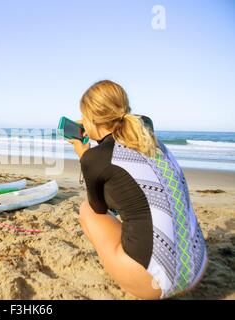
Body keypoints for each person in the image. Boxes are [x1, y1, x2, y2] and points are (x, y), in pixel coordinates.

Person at [69, 80, 207, 299]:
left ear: (93, 119)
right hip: (198, 267)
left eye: (84, 117)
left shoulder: (94, 159)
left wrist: (84, 155)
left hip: (158, 285)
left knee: (87, 211)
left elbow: (98, 209)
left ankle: (129, 271)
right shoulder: (151, 140)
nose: (82, 123)